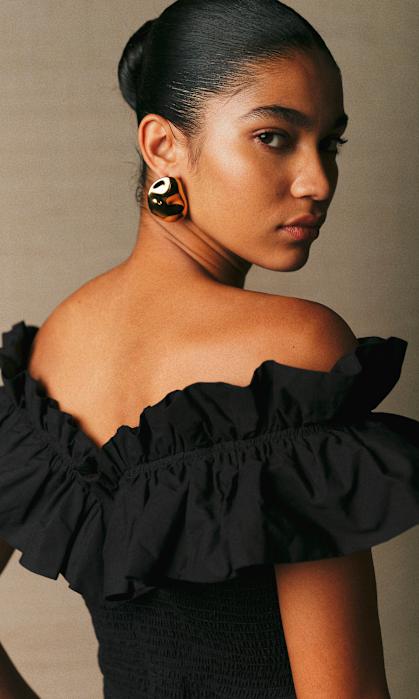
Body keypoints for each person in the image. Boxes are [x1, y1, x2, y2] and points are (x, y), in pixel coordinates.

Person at [0, 1, 418, 697]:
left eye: (330, 144)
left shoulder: (56, 343)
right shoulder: (294, 349)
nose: (317, 180)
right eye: (274, 137)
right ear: (163, 145)